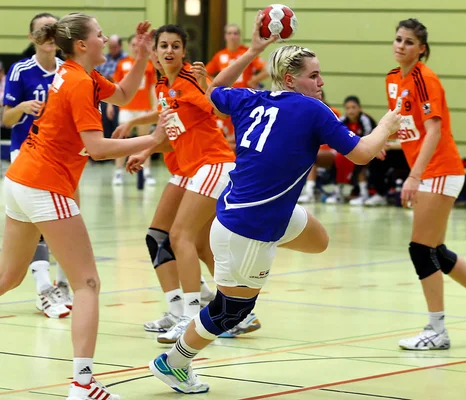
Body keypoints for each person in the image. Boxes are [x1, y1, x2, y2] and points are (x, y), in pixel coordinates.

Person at [148, 12, 403, 394]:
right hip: (247, 232)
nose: (321, 82)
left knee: (319, 240)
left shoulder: (252, 99)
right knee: (232, 311)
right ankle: (175, 362)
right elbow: (363, 153)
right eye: (313, 76)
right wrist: (388, 123)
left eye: (320, 74)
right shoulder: (312, 109)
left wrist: (254, 49)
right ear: (290, 80)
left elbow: (214, 91)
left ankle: (266, 238)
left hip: (239, 215)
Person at [0, 13, 164, 399]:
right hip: (45, 185)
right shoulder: (76, 82)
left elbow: (123, 95)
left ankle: (83, 384)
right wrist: (151, 139)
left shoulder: (79, 74)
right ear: (82, 44)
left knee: (8, 276)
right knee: (87, 283)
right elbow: (97, 148)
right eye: (100, 34)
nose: (106, 39)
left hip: (20, 180)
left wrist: (141, 55)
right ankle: (83, 385)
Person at [127, 25, 256, 345]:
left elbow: (217, 108)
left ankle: (190, 314)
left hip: (212, 164)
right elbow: (173, 135)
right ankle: (235, 311)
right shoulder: (162, 85)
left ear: (184, 52)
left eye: (175, 45)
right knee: (186, 242)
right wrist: (143, 149)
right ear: (155, 52)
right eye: (163, 46)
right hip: (190, 168)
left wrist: (206, 85)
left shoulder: (187, 81)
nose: (169, 51)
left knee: (178, 236)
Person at [386, 18, 466, 350]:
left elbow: (434, 130)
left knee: (420, 249)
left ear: (421, 49)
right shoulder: (394, 80)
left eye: (409, 42)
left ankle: (437, 330)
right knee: (435, 249)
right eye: (398, 39)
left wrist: (413, 175)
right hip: (428, 170)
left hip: (440, 169)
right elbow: (408, 129)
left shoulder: (426, 79)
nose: (401, 45)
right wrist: (381, 142)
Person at [2, 12, 71, 319]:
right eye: (42, 30)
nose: (48, 35)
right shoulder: (21, 70)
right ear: (32, 38)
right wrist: (21, 107)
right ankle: (44, 288)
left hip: (61, 159)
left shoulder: (67, 71)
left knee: (64, 224)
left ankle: (61, 285)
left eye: (53, 30)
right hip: (26, 156)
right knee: (39, 226)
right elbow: (6, 119)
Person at [206, 23, 269, 141]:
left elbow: (267, 71)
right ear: (225, 36)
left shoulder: (246, 52)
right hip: (226, 100)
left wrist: (253, 80)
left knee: (242, 135)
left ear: (239, 36)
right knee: (225, 136)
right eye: (229, 33)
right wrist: (214, 82)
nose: (232, 36)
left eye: (235, 33)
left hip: (243, 100)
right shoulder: (220, 55)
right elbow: (206, 73)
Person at [111, 34, 157, 185]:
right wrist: (111, 105)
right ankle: (118, 172)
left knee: (146, 140)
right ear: (129, 46)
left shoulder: (148, 65)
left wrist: (155, 107)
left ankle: (146, 172)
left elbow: (152, 88)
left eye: (139, 44)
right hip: (126, 108)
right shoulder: (122, 64)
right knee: (122, 140)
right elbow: (115, 86)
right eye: (133, 44)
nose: (136, 47)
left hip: (143, 107)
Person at [96, 34, 126, 138]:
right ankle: (106, 137)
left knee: (115, 106)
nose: (112, 49)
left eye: (115, 47)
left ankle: (116, 137)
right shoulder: (104, 58)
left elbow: (120, 79)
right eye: (111, 47)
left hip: (118, 90)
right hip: (104, 90)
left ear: (120, 46)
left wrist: (110, 79)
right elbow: (97, 74)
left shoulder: (125, 59)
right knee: (102, 106)